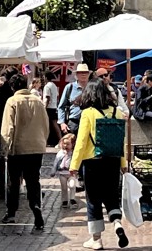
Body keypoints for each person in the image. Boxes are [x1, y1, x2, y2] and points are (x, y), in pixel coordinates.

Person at [69, 80, 129, 250]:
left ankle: (96, 240)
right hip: (113, 160)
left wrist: (74, 165)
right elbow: (120, 142)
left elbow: (81, 142)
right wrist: (123, 164)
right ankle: (117, 223)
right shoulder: (117, 112)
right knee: (111, 196)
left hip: (92, 162)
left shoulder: (88, 113)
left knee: (93, 199)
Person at [0, 74, 49, 229]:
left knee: (14, 182)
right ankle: (36, 208)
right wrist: (42, 141)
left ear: (13, 87)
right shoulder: (38, 101)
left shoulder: (12, 101)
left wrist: (5, 148)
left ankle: (11, 213)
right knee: (33, 181)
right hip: (36, 147)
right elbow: (45, 125)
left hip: (18, 148)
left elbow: (8, 127)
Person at [58, 62, 91, 135]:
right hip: (74, 123)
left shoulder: (93, 88)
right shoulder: (70, 87)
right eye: (81, 72)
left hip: (90, 123)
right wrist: (62, 123)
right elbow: (61, 106)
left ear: (89, 74)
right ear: (76, 74)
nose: (83, 74)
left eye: (86, 72)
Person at [51, 133, 78, 209]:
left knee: (72, 185)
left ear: (72, 144)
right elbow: (56, 162)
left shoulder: (74, 153)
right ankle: (64, 200)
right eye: (64, 144)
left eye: (68, 144)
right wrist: (53, 171)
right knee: (64, 188)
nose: (65, 146)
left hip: (71, 173)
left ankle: (72, 198)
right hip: (62, 173)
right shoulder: (60, 153)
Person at [42, 70, 61, 146]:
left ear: (46, 77)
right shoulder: (54, 85)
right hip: (54, 107)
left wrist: (44, 108)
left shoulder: (47, 86)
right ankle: (60, 139)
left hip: (48, 107)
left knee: (46, 125)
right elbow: (57, 96)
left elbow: (47, 98)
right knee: (54, 124)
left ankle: (45, 142)